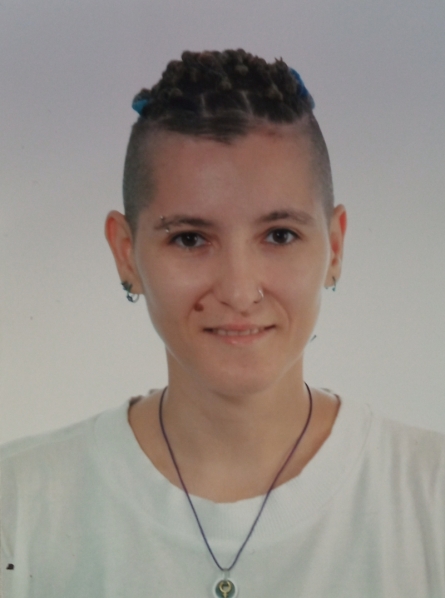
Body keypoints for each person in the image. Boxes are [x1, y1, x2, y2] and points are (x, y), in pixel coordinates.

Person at [1, 49, 444, 598]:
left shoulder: (431, 499)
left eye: (279, 235)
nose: (238, 291)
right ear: (125, 253)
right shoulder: (17, 508)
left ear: (334, 246)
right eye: (190, 239)